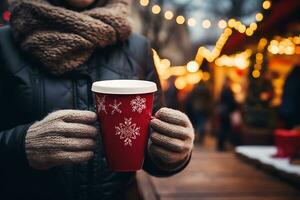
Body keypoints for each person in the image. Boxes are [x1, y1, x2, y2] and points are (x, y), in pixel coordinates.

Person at [0, 0, 195, 199]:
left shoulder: (138, 48)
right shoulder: (4, 44)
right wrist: (20, 146)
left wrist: (173, 152)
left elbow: (150, 154)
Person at [217, 77, 237, 151]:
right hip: (226, 112)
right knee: (224, 129)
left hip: (223, 112)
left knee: (223, 128)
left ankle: (221, 145)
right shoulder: (227, 91)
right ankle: (221, 145)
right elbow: (231, 102)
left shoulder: (223, 90)